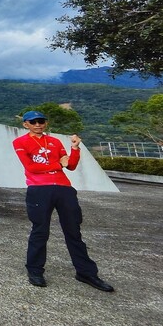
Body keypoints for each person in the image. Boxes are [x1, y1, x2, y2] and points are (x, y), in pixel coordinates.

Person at [13, 110, 114, 292]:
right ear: (25, 124)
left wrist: (74, 149)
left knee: (74, 231)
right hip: (39, 190)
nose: (38, 124)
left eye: (41, 121)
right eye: (33, 122)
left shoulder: (55, 141)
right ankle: (35, 270)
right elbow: (31, 167)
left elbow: (72, 166)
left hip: (64, 189)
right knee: (40, 231)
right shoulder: (20, 142)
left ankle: (86, 272)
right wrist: (59, 164)